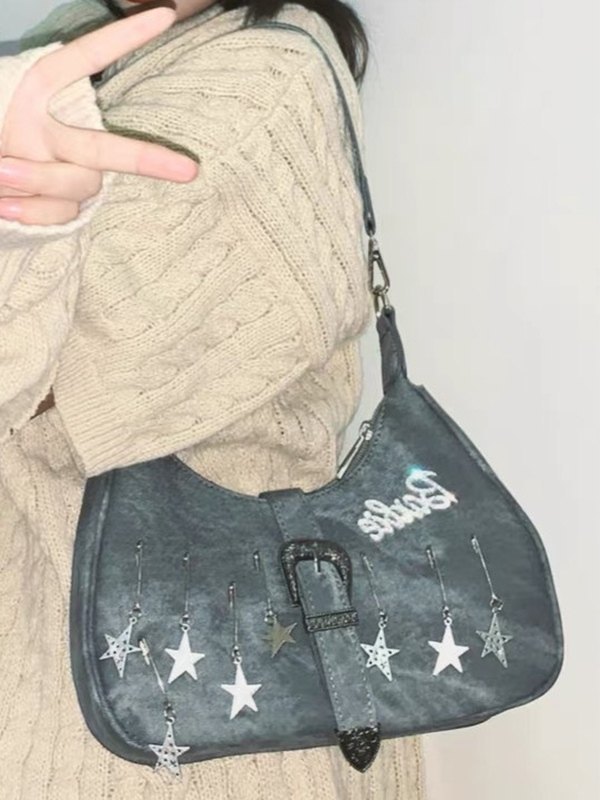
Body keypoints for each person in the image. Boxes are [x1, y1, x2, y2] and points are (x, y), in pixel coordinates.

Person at [0, 1, 425, 797]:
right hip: (150, 665)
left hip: (173, 694)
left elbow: (54, 384)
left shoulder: (257, 86)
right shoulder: (110, 58)